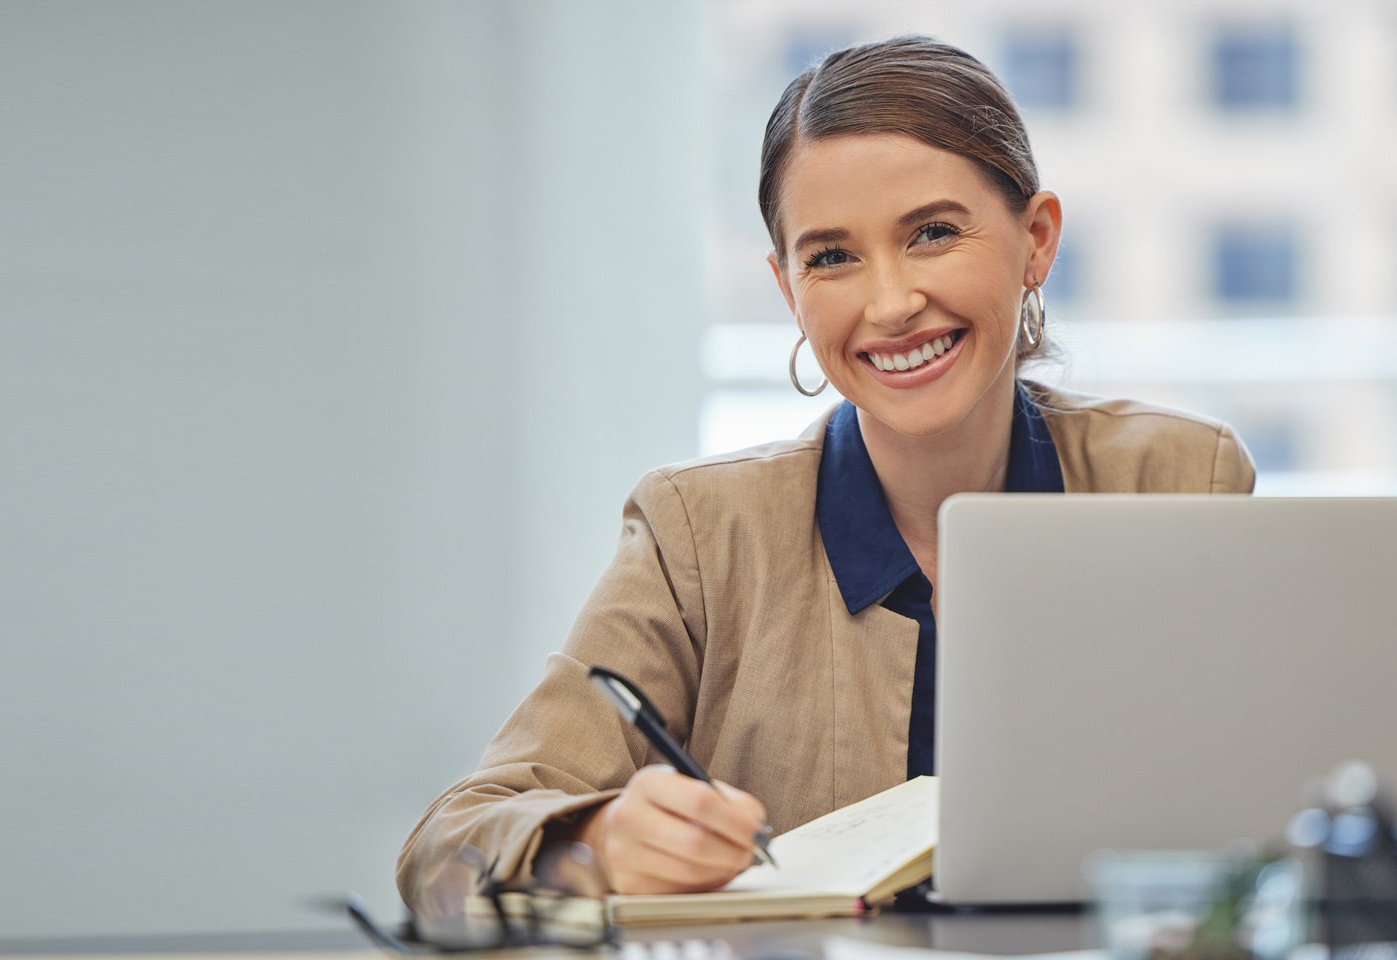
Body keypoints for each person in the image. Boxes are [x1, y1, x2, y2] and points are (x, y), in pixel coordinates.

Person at [397, 36, 1255, 903]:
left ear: (1036, 240)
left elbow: (1275, 812)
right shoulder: (698, 534)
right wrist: (590, 846)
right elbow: (444, 849)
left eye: (932, 233)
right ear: (787, 290)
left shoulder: (1182, 478)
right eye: (832, 257)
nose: (889, 304)